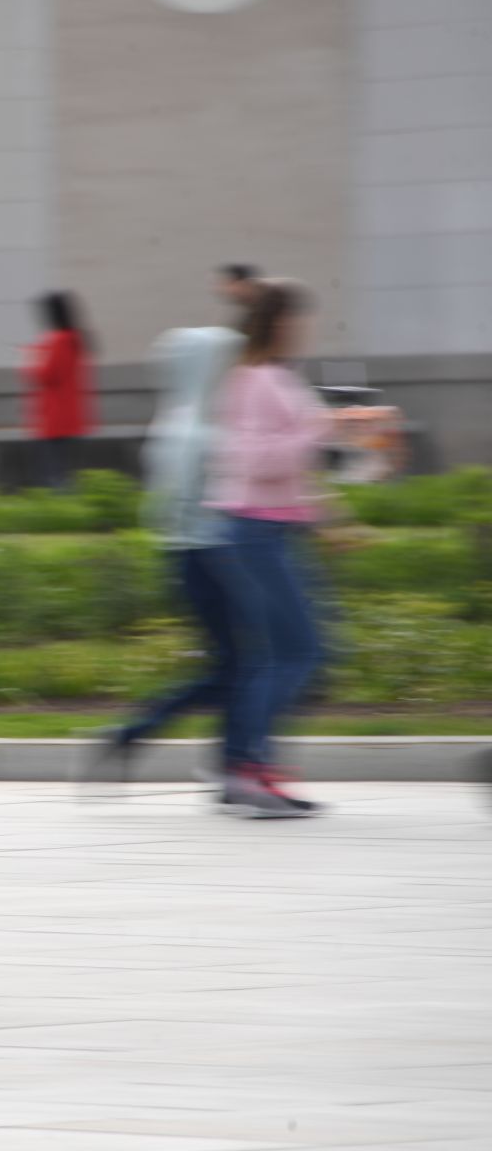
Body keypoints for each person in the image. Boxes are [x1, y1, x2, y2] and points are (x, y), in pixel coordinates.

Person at [77, 324, 245, 786]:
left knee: (235, 664)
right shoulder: (203, 431)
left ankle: (219, 756)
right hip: (213, 557)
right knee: (243, 664)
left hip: (188, 557)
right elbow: (208, 504)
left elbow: (157, 505)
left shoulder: (175, 421)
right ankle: (167, 743)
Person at [207, 280, 331, 818]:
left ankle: (250, 769)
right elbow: (256, 462)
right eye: (293, 319)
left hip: (275, 528)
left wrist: (323, 513)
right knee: (295, 652)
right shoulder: (254, 380)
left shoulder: (275, 377)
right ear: (276, 323)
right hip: (254, 530)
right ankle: (248, 770)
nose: (299, 328)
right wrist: (322, 429)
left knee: (282, 655)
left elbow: (289, 462)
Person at [22, 290, 96, 489]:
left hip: (54, 418)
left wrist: (31, 357)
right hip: (73, 416)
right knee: (69, 473)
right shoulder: (76, 340)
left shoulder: (57, 340)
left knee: (54, 476)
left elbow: (46, 375)